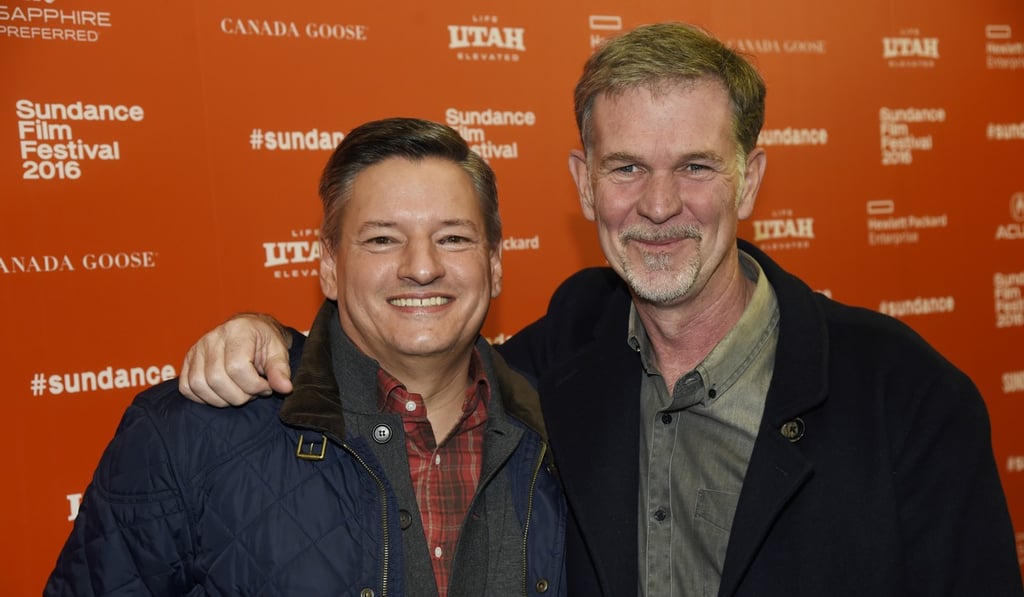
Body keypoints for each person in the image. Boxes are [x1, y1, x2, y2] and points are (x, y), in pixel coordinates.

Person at [177, 23, 1023, 597]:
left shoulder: (907, 397)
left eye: (695, 166)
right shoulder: (553, 363)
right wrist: (271, 342)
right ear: (583, 183)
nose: (658, 205)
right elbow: (411, 351)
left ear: (752, 180)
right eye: (625, 169)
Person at [45, 118, 566, 596]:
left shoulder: (564, 432)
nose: (422, 267)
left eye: (453, 238)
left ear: (494, 263)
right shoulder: (186, 437)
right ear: (328, 265)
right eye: (382, 239)